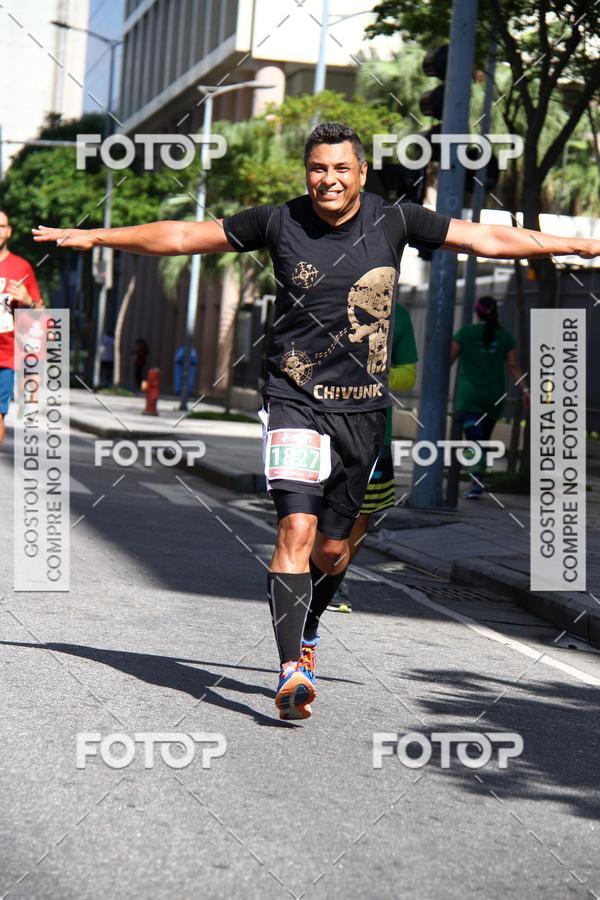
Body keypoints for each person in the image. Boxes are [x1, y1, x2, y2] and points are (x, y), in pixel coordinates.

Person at [33, 122, 600, 721]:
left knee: (331, 551)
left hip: (363, 411)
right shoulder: (279, 221)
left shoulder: (396, 220)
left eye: (340, 169)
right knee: (295, 531)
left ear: (361, 173)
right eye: (317, 169)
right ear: (307, 172)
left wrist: (578, 245)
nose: (328, 180)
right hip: (294, 399)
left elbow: (484, 237)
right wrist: (97, 235)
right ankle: (291, 668)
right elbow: (183, 235)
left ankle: (308, 629)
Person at [326, 301, 418, 613]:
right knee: (314, 506)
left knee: (360, 514)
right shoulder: (333, 301)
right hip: (322, 421)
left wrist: (373, 373)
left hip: (375, 431)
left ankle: (334, 580)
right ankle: (308, 571)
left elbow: (408, 374)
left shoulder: (399, 315)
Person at [450, 296, 529, 498]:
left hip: (469, 397)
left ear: (477, 313)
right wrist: (526, 391)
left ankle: (476, 479)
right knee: (482, 439)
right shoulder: (505, 337)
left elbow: (448, 360)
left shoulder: (465, 333)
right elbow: (513, 366)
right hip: (493, 398)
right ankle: (477, 480)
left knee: (474, 439)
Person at [0, 209, 43, 449]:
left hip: (4, 355)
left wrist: (27, 300)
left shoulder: (21, 267)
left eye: (1, 226)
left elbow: (40, 310)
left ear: (8, 231)